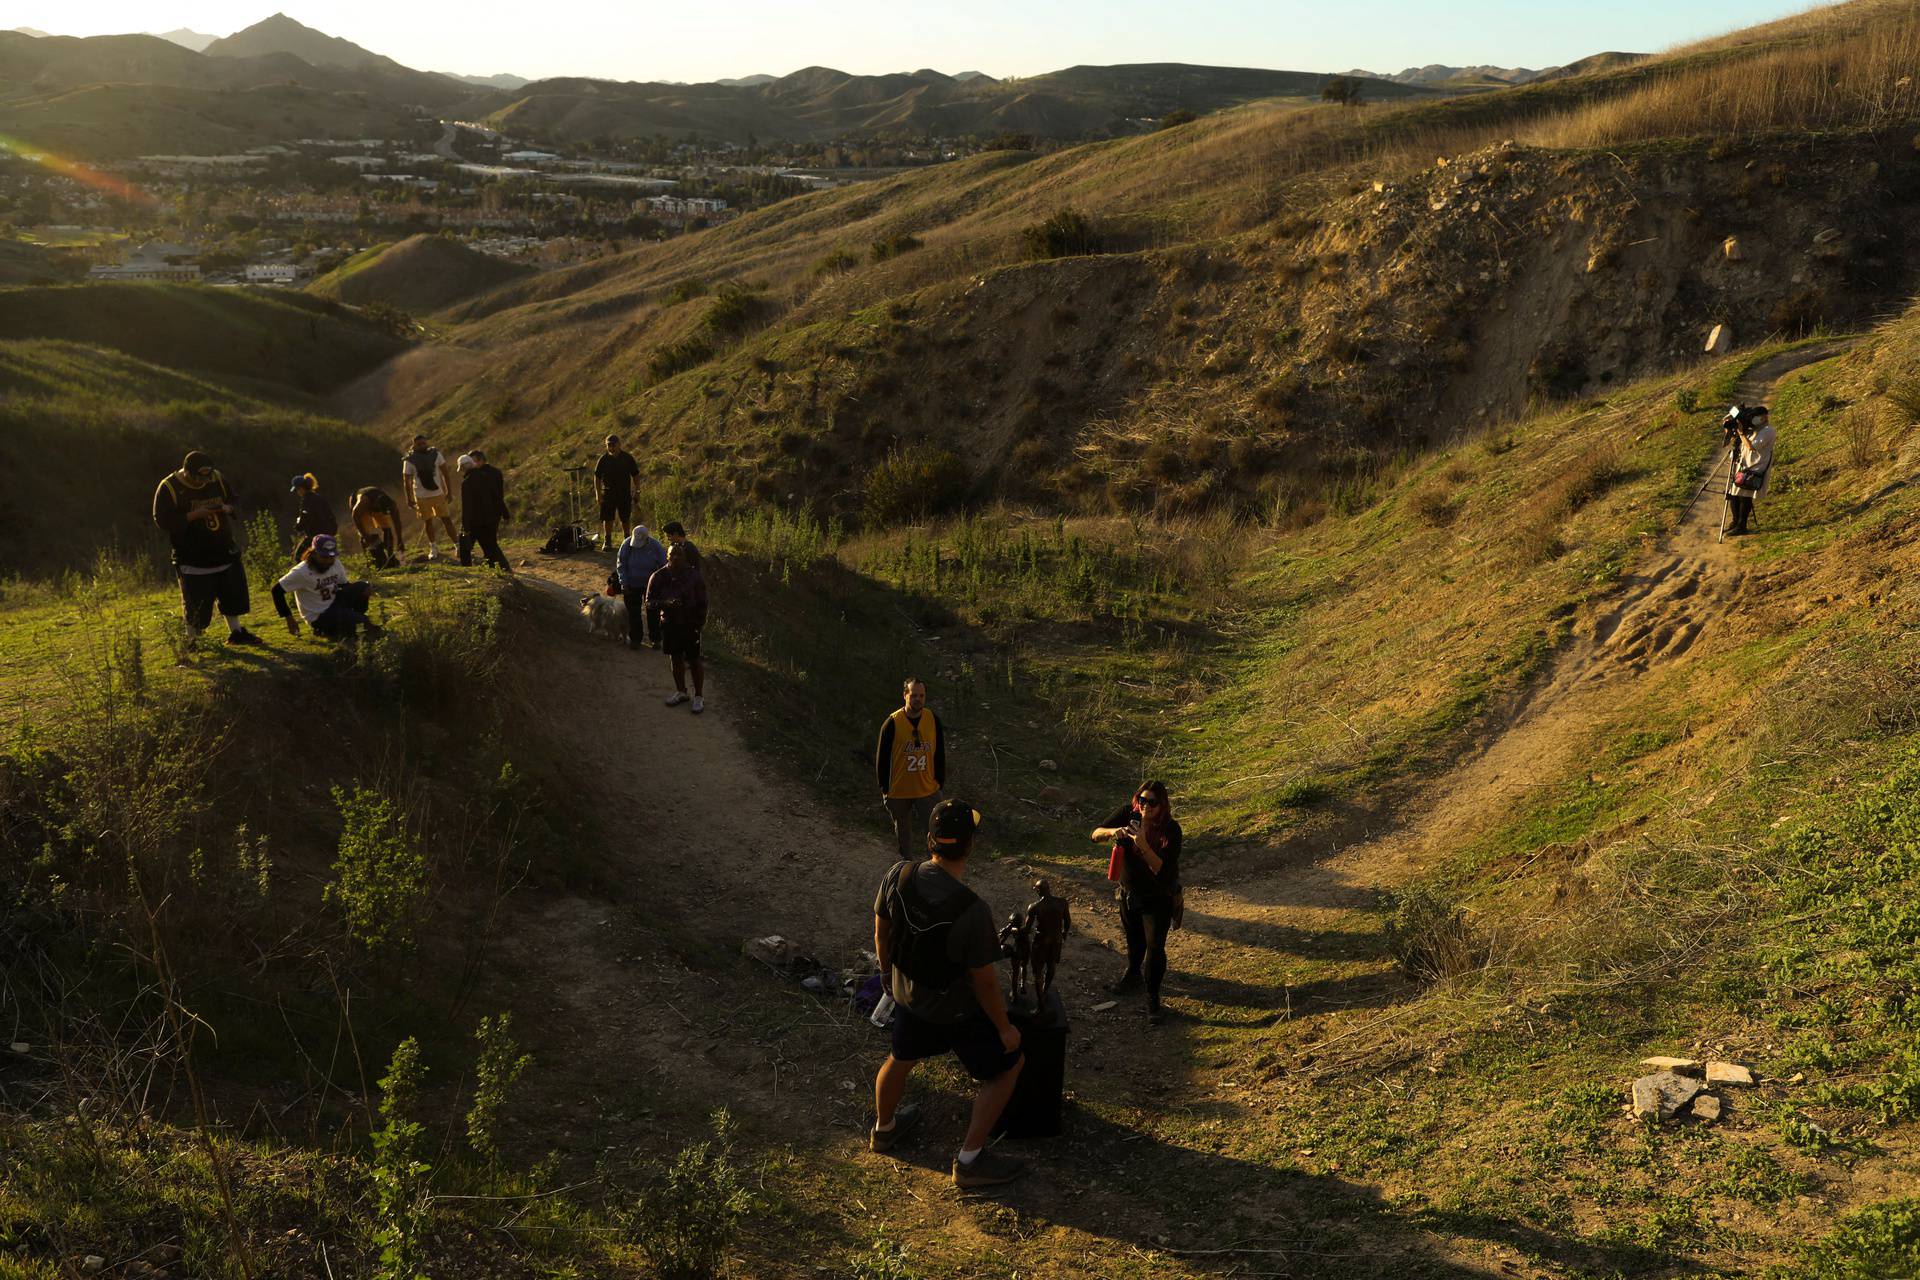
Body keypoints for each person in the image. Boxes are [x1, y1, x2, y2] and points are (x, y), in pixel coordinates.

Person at [870, 800, 1025, 1189]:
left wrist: (888, 976)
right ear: (970, 846)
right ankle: (969, 1161)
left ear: (929, 840)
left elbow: (882, 931)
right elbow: (984, 982)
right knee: (1008, 1066)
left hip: (908, 1000)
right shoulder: (972, 911)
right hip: (955, 1013)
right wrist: (1005, 1028)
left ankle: (884, 1129)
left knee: (899, 1058)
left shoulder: (898, 876)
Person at [1090, 780, 1182, 1024]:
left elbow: (1161, 870)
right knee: (1133, 939)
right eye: (1142, 800)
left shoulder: (1171, 830)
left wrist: (1141, 844)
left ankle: (1152, 998)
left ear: (1162, 805)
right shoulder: (1127, 814)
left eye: (1152, 802)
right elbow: (1095, 835)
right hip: (1129, 893)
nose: (1145, 806)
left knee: (1154, 947)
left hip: (1158, 897)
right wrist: (1113, 832)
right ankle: (1133, 975)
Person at [151, 449, 264, 649]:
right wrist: (194, 515)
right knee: (197, 604)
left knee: (231, 595)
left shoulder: (217, 478)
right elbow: (162, 520)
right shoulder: (169, 487)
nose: (203, 481)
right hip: (192, 556)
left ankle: (236, 633)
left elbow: (234, 498)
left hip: (223, 550)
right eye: (197, 477)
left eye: (207, 476)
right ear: (186, 472)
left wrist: (229, 509)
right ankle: (192, 641)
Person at [875, 678, 946, 859]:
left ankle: (937, 866)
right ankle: (907, 868)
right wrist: (885, 787)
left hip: (927, 787)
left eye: (921, 695)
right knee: (904, 833)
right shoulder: (892, 723)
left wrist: (940, 780)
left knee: (936, 829)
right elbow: (882, 759)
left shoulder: (932, 719)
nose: (918, 699)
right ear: (905, 695)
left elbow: (939, 753)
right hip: (899, 791)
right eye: (913, 695)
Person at [271, 534, 381, 641]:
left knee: (363, 587)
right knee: (364, 623)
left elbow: (345, 586)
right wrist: (289, 619)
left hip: (335, 603)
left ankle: (352, 620)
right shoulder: (301, 572)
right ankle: (328, 630)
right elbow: (276, 591)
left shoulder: (335, 563)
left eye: (331, 557)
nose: (328, 561)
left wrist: (363, 592)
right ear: (313, 554)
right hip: (320, 616)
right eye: (324, 557)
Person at [645, 541, 707, 713]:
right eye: (672, 554)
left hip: (690, 624)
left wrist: (699, 623)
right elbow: (649, 603)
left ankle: (699, 696)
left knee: (694, 660)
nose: (676, 557)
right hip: (670, 624)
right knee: (675, 658)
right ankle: (681, 692)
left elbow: (703, 602)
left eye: (679, 554)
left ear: (686, 557)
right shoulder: (658, 576)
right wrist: (665, 603)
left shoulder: (694, 576)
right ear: (667, 556)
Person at [401, 433, 457, 559]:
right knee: (428, 522)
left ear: (427, 443)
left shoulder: (436, 454)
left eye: (424, 443)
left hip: (438, 494)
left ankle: (457, 544)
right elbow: (407, 481)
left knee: (446, 519)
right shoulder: (409, 460)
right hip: (421, 496)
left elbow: (445, 474)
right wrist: (408, 498)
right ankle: (433, 547)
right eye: (419, 444)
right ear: (414, 445)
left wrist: (449, 491)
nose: (422, 445)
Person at [1724, 405, 1776, 537]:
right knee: (1734, 494)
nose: (1753, 420)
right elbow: (1736, 440)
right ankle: (1735, 523)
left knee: (1745, 496)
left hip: (1756, 466)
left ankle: (1742, 526)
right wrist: (1731, 428)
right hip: (1744, 464)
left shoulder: (1768, 430)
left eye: (1756, 417)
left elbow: (1752, 446)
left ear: (1764, 417)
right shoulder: (1752, 430)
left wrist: (1741, 432)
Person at [459, 449, 512, 571]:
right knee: (490, 545)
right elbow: (497, 496)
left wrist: (465, 527)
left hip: (476, 520)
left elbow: (467, 507)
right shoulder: (488, 475)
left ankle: (467, 570)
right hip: (491, 517)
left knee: (467, 544)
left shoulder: (467, 482)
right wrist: (504, 513)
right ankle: (500, 568)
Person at [617, 523, 667, 649]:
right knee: (633, 612)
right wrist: (624, 582)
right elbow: (621, 564)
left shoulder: (656, 546)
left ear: (646, 538)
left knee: (653, 611)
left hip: (650, 584)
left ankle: (655, 639)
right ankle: (635, 639)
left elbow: (663, 566)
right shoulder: (626, 545)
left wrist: (660, 583)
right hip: (631, 584)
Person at [594, 434, 641, 552]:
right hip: (608, 492)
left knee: (625, 517)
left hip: (624, 492)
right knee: (607, 517)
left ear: (619, 444)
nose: (611, 447)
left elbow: (635, 475)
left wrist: (637, 490)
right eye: (608, 445)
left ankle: (627, 540)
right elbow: (597, 477)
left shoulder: (627, 458)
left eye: (613, 445)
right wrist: (598, 494)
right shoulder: (603, 460)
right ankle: (607, 540)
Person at [351, 485, 406, 568]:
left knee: (388, 531)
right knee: (366, 533)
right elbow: (355, 516)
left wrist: (400, 540)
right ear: (376, 504)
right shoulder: (363, 503)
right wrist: (366, 536)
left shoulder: (391, 505)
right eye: (379, 510)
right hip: (360, 504)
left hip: (375, 503)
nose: (381, 512)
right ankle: (370, 559)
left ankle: (390, 557)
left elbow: (397, 522)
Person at [289, 473, 338, 560]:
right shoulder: (320, 498)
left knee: (298, 557)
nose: (297, 493)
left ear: (300, 488)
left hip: (314, 537)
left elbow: (305, 518)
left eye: (296, 490)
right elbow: (330, 516)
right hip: (328, 535)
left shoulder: (306, 501)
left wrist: (298, 526)